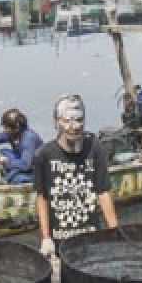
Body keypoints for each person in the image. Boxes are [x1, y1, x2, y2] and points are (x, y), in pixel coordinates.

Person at [33, 94, 118, 257]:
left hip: (91, 237)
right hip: (60, 241)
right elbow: (42, 197)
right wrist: (45, 237)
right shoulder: (43, 155)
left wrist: (114, 231)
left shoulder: (95, 149)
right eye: (67, 121)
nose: (74, 126)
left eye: (79, 120)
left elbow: (103, 192)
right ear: (57, 121)